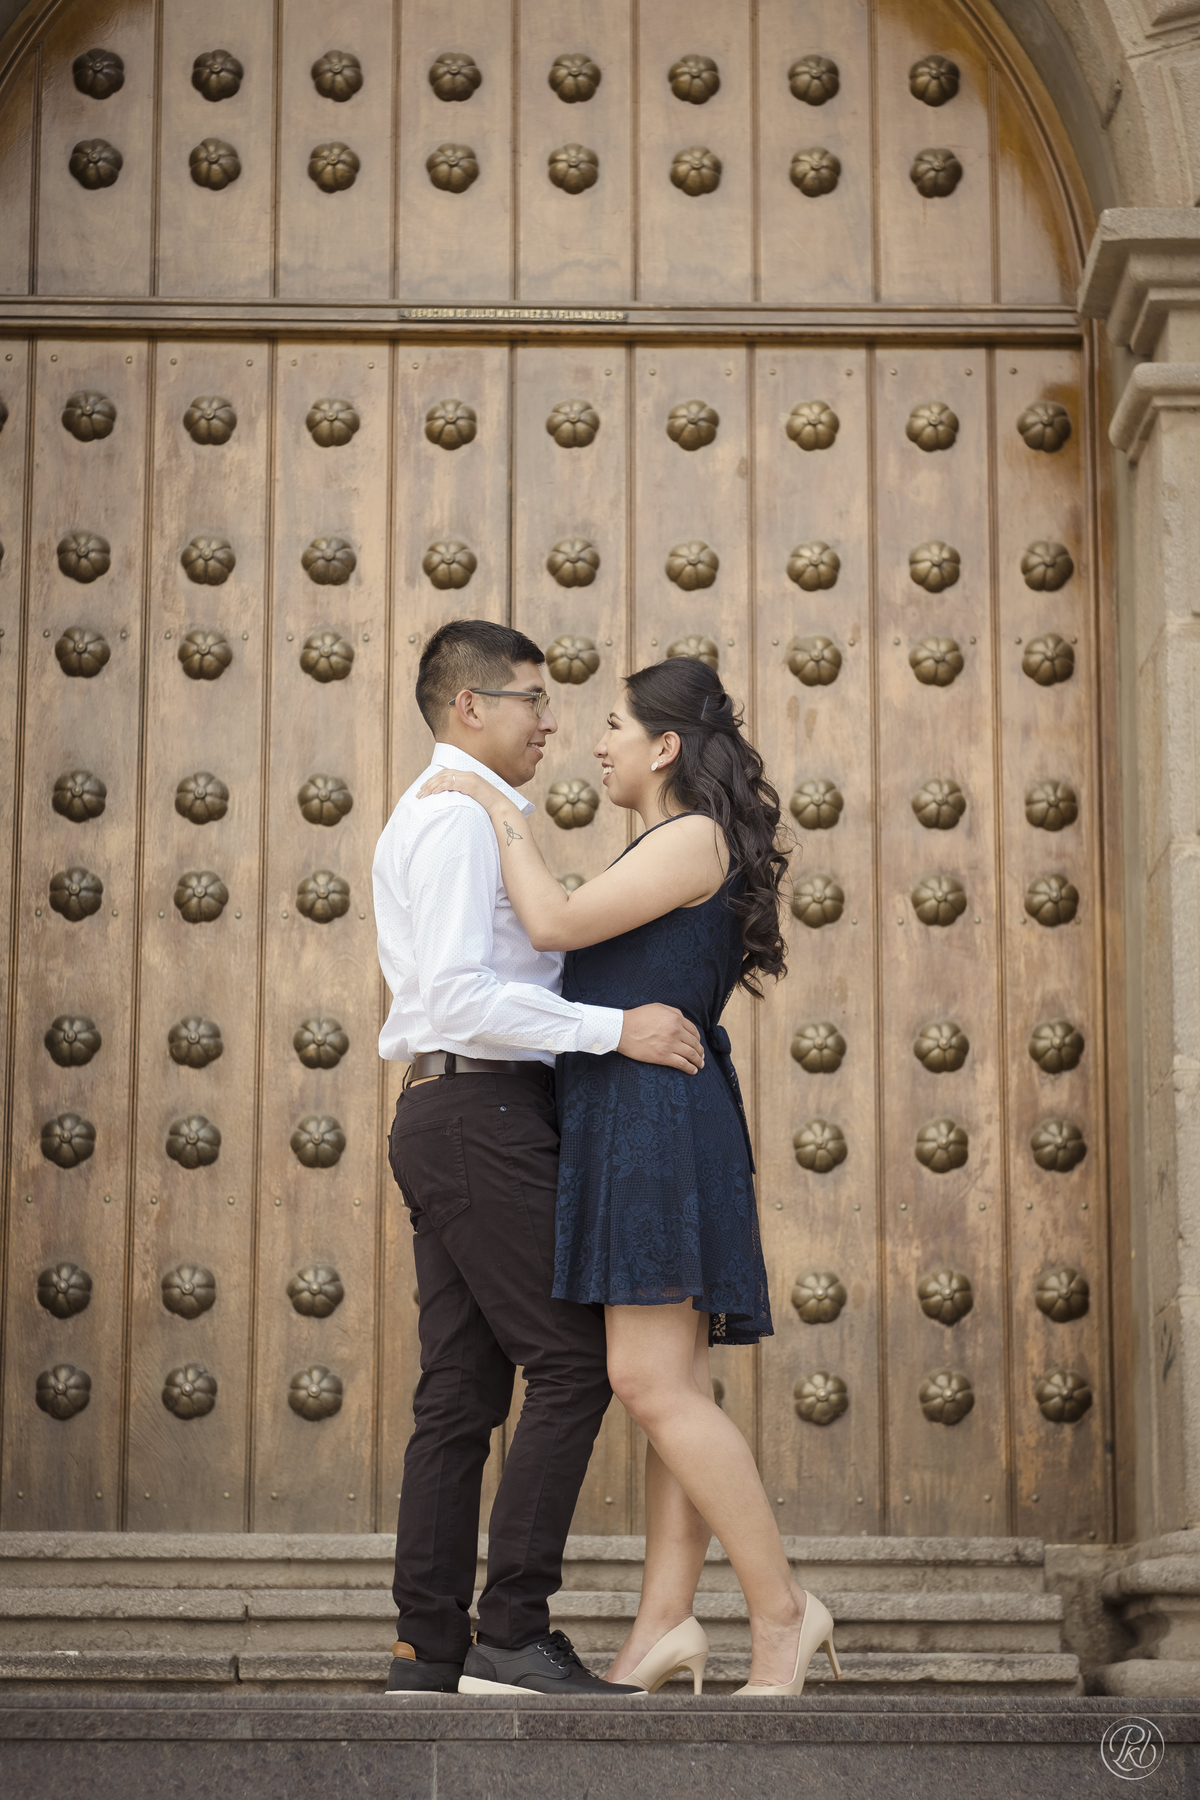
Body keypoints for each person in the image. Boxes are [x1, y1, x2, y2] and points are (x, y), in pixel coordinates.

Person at [418, 654, 844, 1698]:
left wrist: (494, 805)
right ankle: (663, 1624)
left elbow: (556, 925)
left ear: (664, 746)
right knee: (673, 1388)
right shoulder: (664, 841)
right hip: (633, 1117)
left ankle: (783, 1614)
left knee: (645, 1382)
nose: (593, 741)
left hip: (655, 1123)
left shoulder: (692, 837)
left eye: (612, 724)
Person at [373, 619, 704, 1699]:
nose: (550, 720)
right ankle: (511, 1631)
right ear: (473, 707)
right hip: (478, 1113)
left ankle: (428, 1649)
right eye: (531, 698)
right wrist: (620, 1031)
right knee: (568, 1363)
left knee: (460, 1393)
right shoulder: (460, 820)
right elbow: (465, 995)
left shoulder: (453, 813)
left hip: (448, 1110)